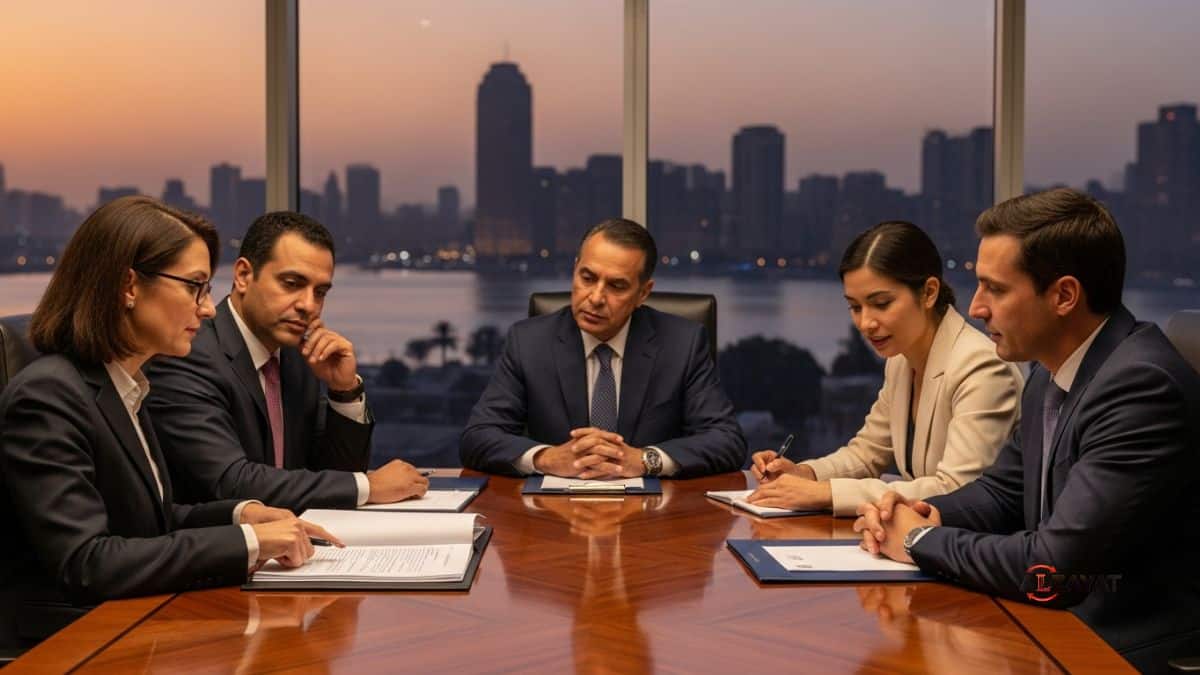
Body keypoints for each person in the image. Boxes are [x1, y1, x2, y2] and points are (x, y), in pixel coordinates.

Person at [852, 189, 1200, 672]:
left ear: (1063, 296)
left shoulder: (1139, 387)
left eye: (995, 289)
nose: (975, 308)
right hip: (1050, 626)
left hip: (1116, 648)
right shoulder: (1050, 372)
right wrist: (920, 512)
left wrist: (918, 542)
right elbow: (1003, 492)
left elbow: (1052, 569)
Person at [0, 196, 338, 646]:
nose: (208, 308)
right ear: (129, 286)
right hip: (70, 643)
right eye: (194, 286)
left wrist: (245, 514)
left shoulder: (125, 386)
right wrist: (251, 544)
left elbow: (154, 520)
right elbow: (88, 561)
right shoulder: (47, 396)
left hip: (138, 623)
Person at [145, 211, 428, 512]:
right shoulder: (186, 355)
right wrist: (368, 486)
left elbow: (334, 476)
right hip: (220, 549)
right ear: (243, 276)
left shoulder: (296, 354)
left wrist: (343, 390)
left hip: (295, 545)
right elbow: (230, 482)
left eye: (320, 292)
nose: (309, 305)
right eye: (292, 283)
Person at [747, 221, 1023, 516]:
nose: (866, 323)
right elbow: (867, 454)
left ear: (929, 292)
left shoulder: (983, 368)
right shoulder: (901, 360)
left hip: (976, 548)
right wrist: (805, 474)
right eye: (855, 307)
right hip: (920, 539)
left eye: (881, 303)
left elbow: (957, 490)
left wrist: (824, 493)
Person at [460, 218, 746, 478]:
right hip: (554, 515)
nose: (596, 297)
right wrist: (547, 458)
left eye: (617, 286)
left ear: (642, 293)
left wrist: (646, 460)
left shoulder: (682, 344)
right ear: (575, 270)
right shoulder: (529, 342)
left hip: (653, 517)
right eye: (587, 278)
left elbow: (726, 440)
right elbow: (478, 437)